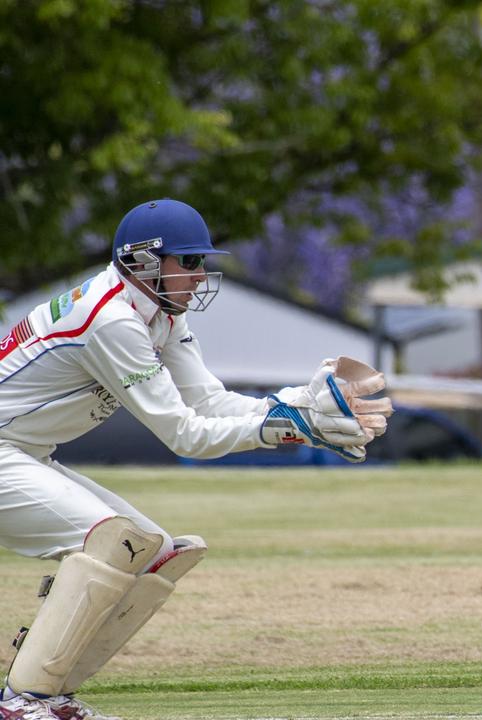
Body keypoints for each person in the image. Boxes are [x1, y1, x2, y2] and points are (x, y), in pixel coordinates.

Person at [0, 199, 393, 720]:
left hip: (24, 452)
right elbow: (184, 435)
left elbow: (209, 402)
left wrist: (292, 408)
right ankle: (25, 702)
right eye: (188, 262)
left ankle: (52, 694)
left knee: (158, 553)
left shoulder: (158, 313)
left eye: (201, 261)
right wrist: (283, 431)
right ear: (143, 261)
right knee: (116, 542)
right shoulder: (112, 319)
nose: (200, 274)